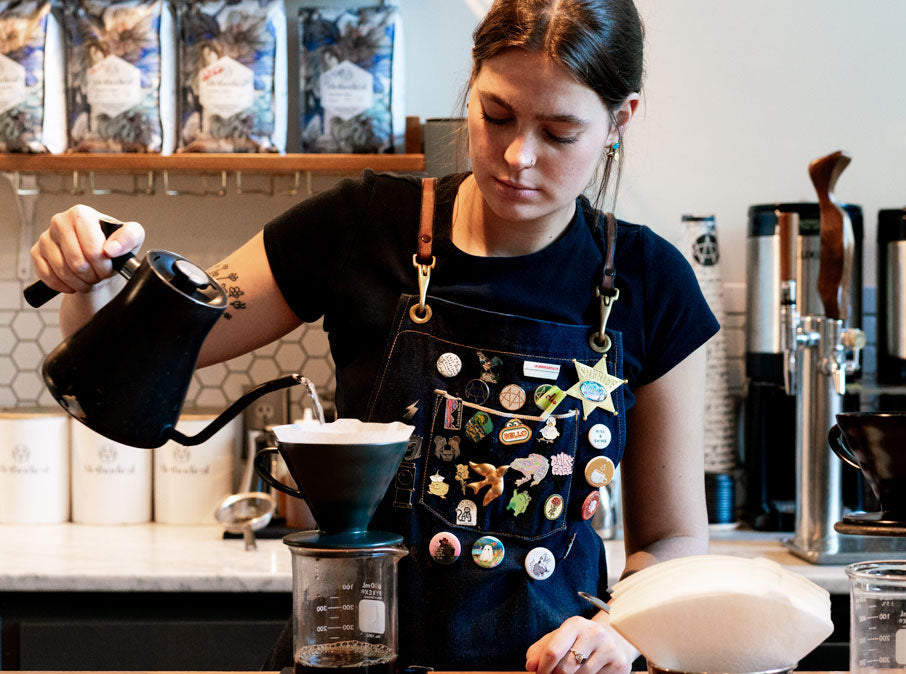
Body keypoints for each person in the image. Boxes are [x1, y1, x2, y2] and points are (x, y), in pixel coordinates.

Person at [29, 0, 719, 672]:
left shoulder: (650, 281)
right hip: (352, 653)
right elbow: (130, 360)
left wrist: (623, 630)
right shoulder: (361, 224)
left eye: (561, 132)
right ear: (471, 87)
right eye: (497, 115)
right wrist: (85, 274)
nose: (518, 156)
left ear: (618, 120)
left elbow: (673, 536)